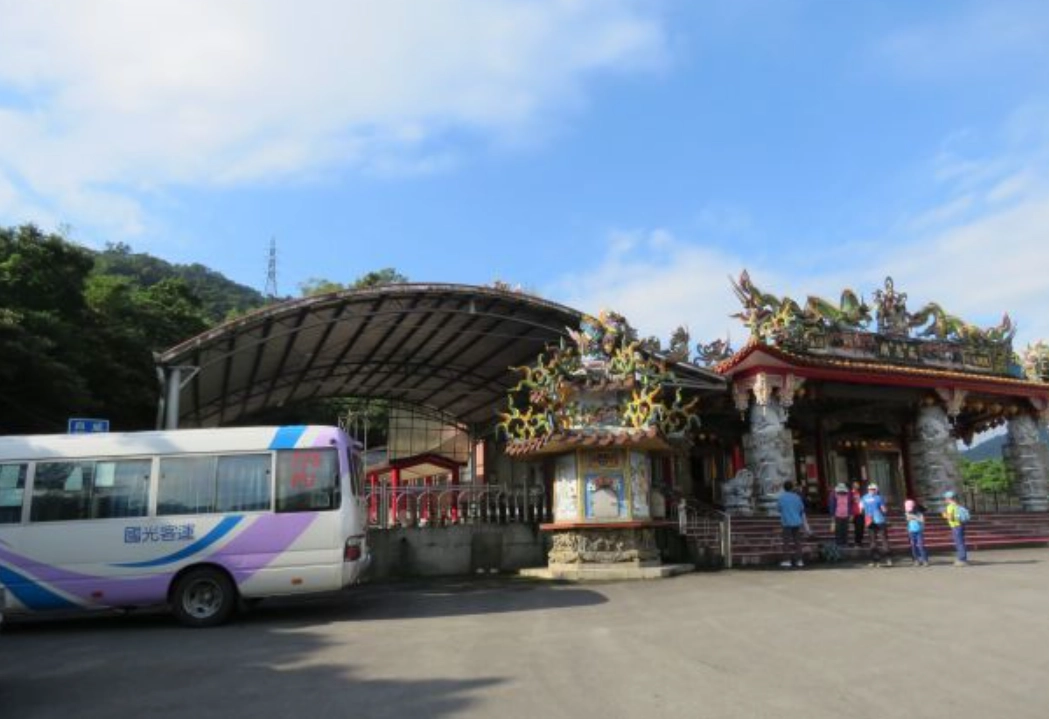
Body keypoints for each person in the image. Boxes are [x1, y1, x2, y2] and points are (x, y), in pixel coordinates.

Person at [860, 483, 892, 567]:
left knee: (872, 541)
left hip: (869, 521)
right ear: (876, 489)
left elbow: (861, 510)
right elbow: (884, 510)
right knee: (884, 540)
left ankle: (875, 561)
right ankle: (888, 560)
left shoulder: (864, 498)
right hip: (880, 520)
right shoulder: (879, 498)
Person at [777, 481, 807, 568]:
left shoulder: (781, 498)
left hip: (786, 522)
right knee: (797, 542)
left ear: (784, 488)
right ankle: (799, 561)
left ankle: (787, 560)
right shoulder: (797, 497)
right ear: (792, 488)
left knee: (786, 542)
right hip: (797, 521)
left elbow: (778, 509)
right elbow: (801, 509)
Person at [942, 490, 970, 566]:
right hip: (961, 524)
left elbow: (951, 518)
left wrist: (944, 515)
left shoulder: (950, 507)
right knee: (961, 542)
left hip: (955, 526)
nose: (945, 500)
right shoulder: (958, 505)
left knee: (959, 543)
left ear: (949, 498)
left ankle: (962, 559)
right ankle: (963, 558)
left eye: (945, 498)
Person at [904, 499, 929, 566]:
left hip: (919, 531)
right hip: (911, 531)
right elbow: (908, 521)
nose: (910, 511)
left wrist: (915, 518)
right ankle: (916, 559)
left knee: (921, 545)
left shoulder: (919, 513)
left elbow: (922, 520)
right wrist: (908, 528)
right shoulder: (907, 513)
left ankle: (924, 560)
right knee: (913, 546)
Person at [828, 483, 851, 547]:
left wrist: (850, 513)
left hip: (846, 514)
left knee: (845, 529)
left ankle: (845, 542)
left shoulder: (848, 494)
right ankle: (839, 542)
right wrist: (832, 515)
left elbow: (849, 504)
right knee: (838, 529)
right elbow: (832, 505)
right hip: (837, 514)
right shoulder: (833, 494)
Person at [850, 480, 865, 547]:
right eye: (856, 484)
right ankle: (857, 542)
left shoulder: (860, 493)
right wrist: (851, 514)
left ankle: (860, 541)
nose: (858, 485)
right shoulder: (850, 493)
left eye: (858, 484)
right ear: (853, 485)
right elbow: (849, 503)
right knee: (857, 528)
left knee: (861, 527)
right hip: (855, 513)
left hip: (861, 512)